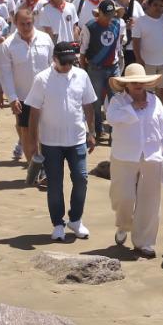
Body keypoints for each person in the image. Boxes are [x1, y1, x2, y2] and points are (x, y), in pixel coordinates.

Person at [25, 40, 97, 241]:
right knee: (55, 184)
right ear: (54, 59)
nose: (67, 66)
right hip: (50, 142)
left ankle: (75, 220)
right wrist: (32, 143)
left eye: (70, 61)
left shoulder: (81, 75)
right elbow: (34, 112)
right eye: (64, 62)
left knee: (81, 179)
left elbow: (88, 106)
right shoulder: (42, 79)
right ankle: (58, 223)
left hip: (77, 138)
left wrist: (91, 132)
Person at [107, 64, 163, 257]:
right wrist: (132, 108)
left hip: (152, 155)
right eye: (133, 82)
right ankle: (123, 225)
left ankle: (144, 241)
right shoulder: (118, 102)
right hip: (124, 156)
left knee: (150, 200)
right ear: (126, 85)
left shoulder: (155, 101)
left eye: (141, 82)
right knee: (123, 197)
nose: (138, 85)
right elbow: (112, 118)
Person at [4, 6, 54, 171]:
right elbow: (6, 73)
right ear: (15, 23)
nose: (26, 27)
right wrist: (12, 98)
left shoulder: (45, 39)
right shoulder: (8, 45)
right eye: (22, 24)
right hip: (23, 97)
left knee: (45, 132)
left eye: (29, 23)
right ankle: (34, 167)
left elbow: (53, 66)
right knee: (26, 132)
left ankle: (45, 166)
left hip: (46, 96)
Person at [82, 0, 125, 142]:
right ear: (99, 12)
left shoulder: (117, 25)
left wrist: (119, 63)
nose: (108, 17)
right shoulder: (89, 27)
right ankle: (98, 129)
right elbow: (83, 52)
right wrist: (84, 71)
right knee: (96, 101)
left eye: (111, 14)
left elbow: (118, 47)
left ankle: (115, 132)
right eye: (106, 14)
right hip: (95, 68)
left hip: (113, 67)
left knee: (116, 100)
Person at [130, 0, 163, 113]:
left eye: (161, 6)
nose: (158, 8)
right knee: (148, 91)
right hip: (147, 62)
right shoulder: (140, 21)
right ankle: (147, 114)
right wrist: (139, 59)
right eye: (155, 5)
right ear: (148, 6)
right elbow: (135, 42)